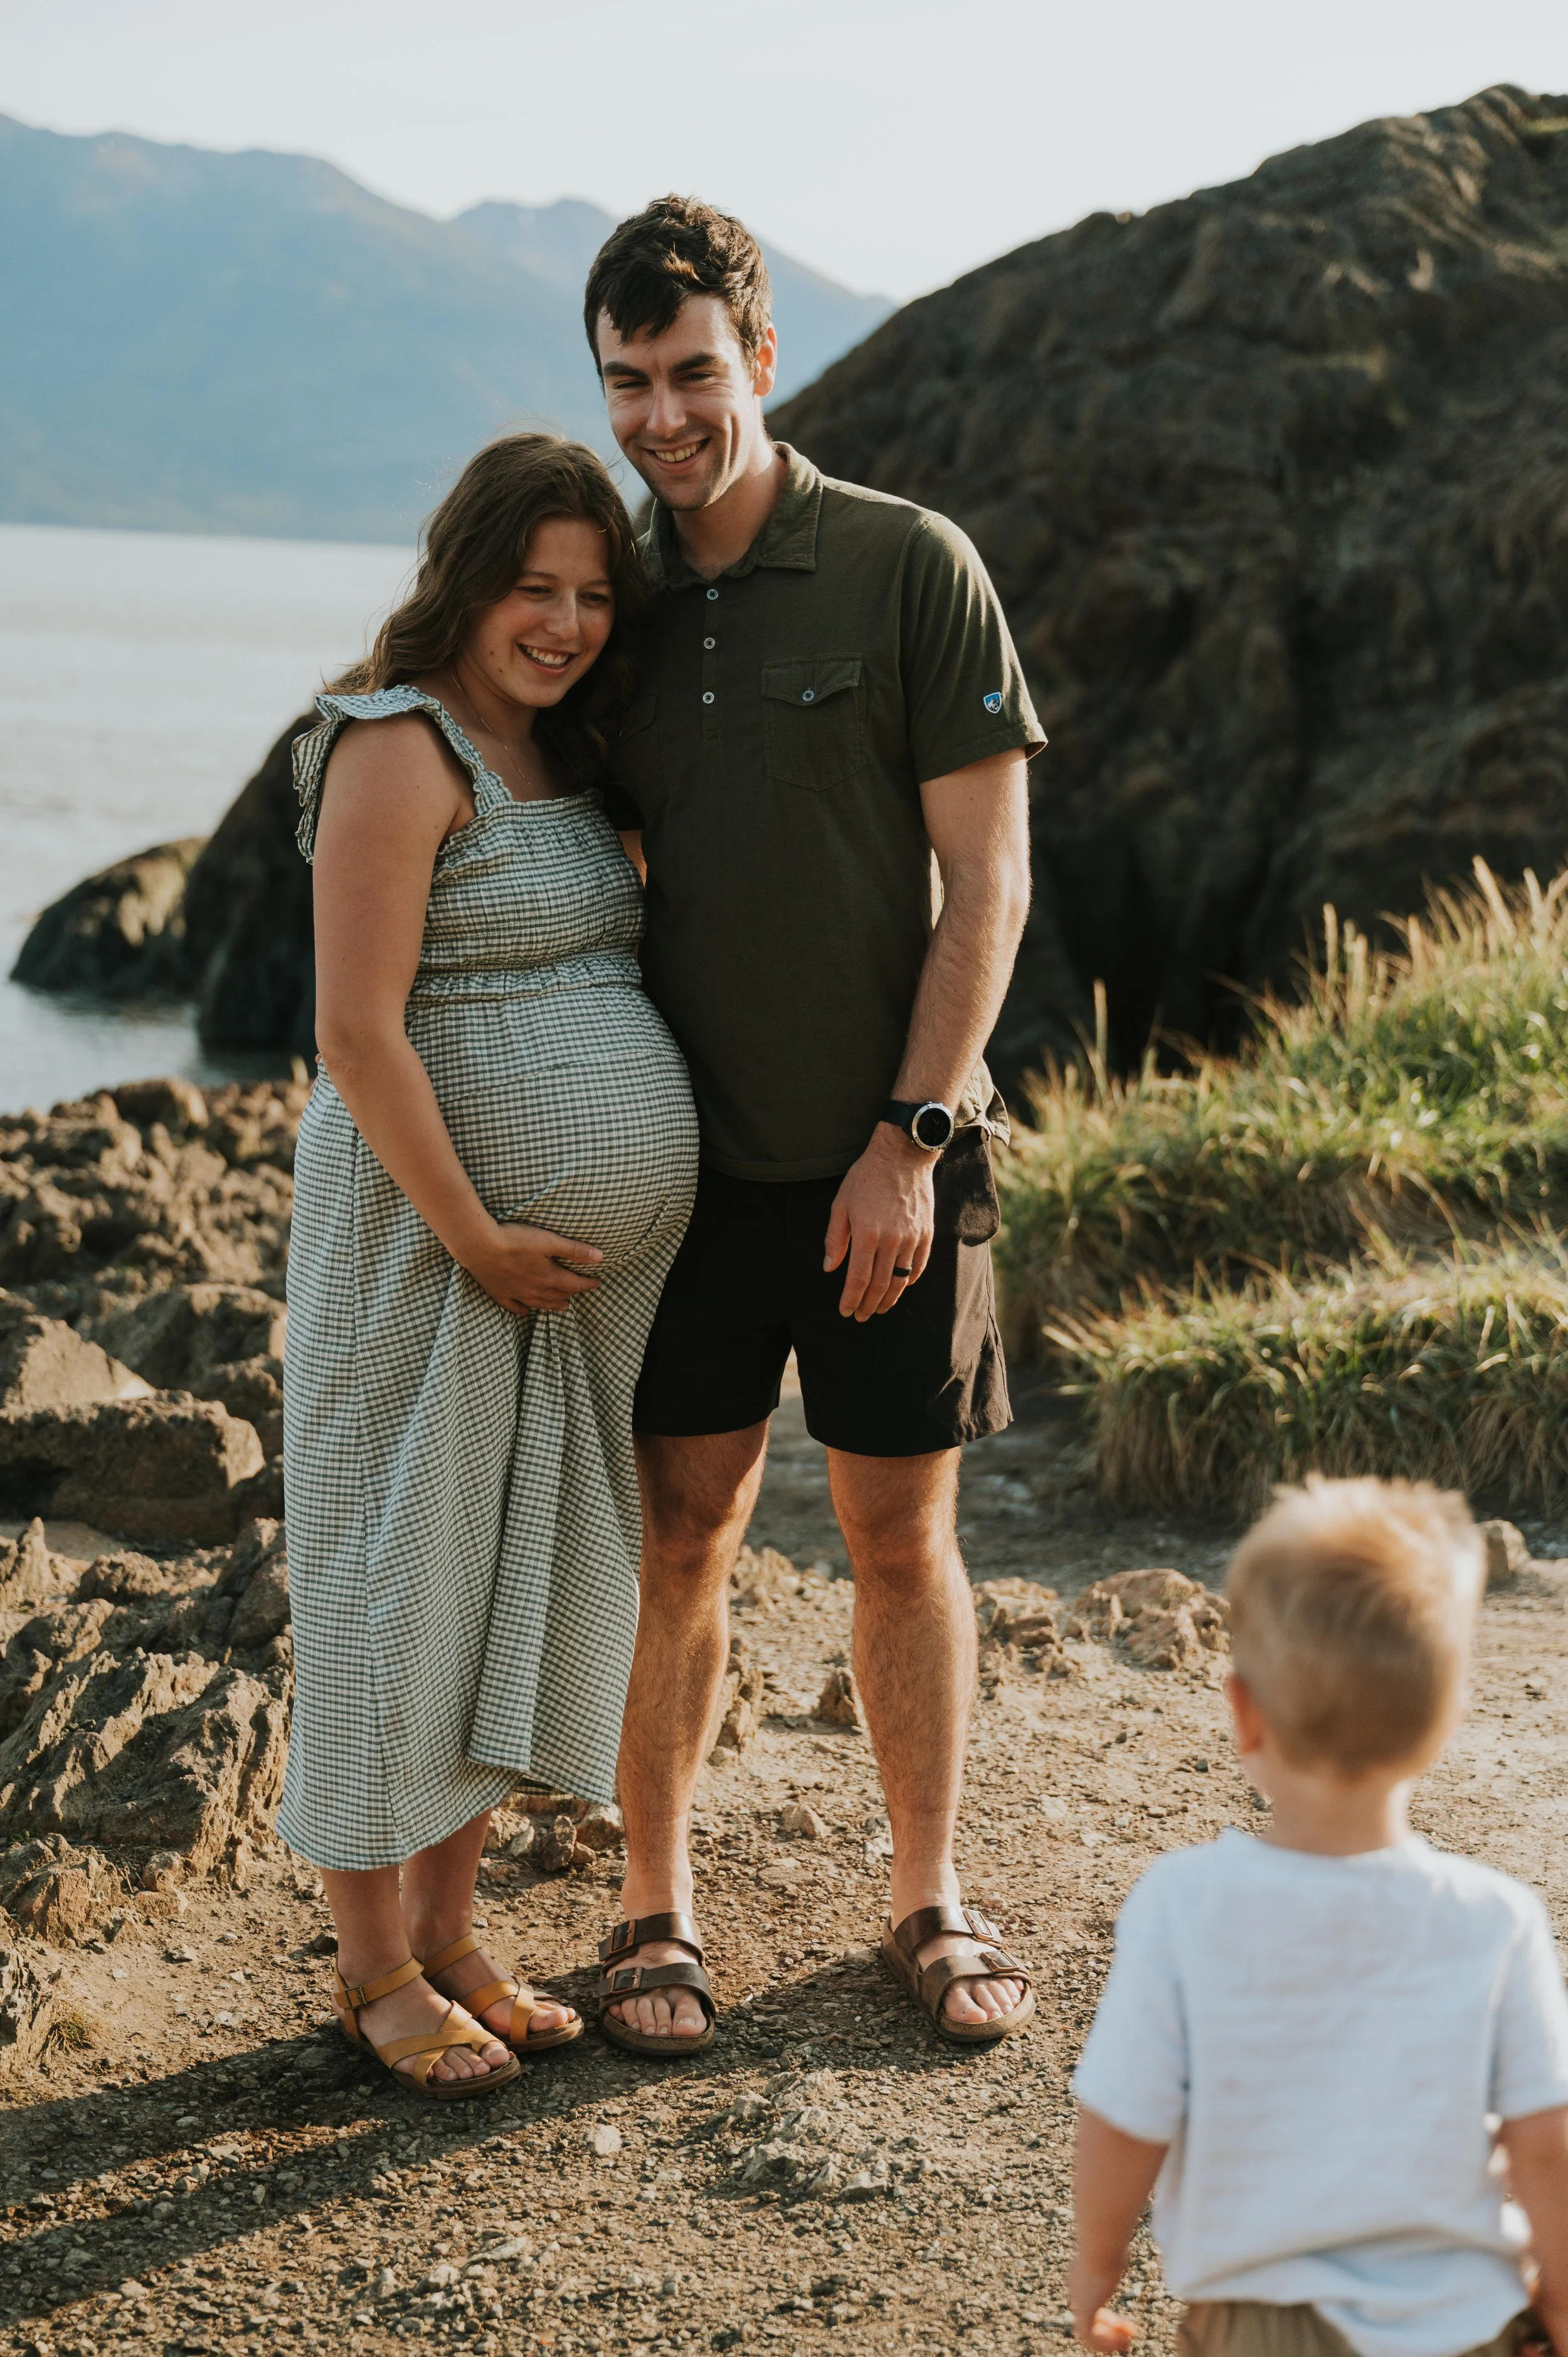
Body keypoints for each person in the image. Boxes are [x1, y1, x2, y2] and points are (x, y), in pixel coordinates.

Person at [582, 194, 1043, 2055]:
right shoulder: (610, 600)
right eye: (626, 383)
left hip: (891, 1160)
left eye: (692, 375)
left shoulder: (907, 566)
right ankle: (649, 1905)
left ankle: (925, 1894)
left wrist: (907, 1139)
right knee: (678, 1530)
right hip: (689, 1181)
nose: (662, 418)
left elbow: (988, 881)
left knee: (893, 1534)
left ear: (759, 361)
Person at [277, 433, 699, 2099]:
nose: (568, 620)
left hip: (555, 1284)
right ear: (466, 575)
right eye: (536, 586)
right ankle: (372, 1963)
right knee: (396, 1576)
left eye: (596, 594)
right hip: (421, 1240)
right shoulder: (399, 745)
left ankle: (453, 1936)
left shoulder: (566, 759)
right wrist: (473, 1231)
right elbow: (355, 1031)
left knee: (500, 1580)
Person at [1069, 1475, 1568, 2357]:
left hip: (1256, 2327)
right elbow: (1545, 2140)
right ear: (1446, 1721)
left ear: (1243, 1714)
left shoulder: (1183, 1906)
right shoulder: (1498, 1921)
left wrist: (1095, 2269)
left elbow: (1124, 2117)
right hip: (1459, 2322)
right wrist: (1560, 2298)